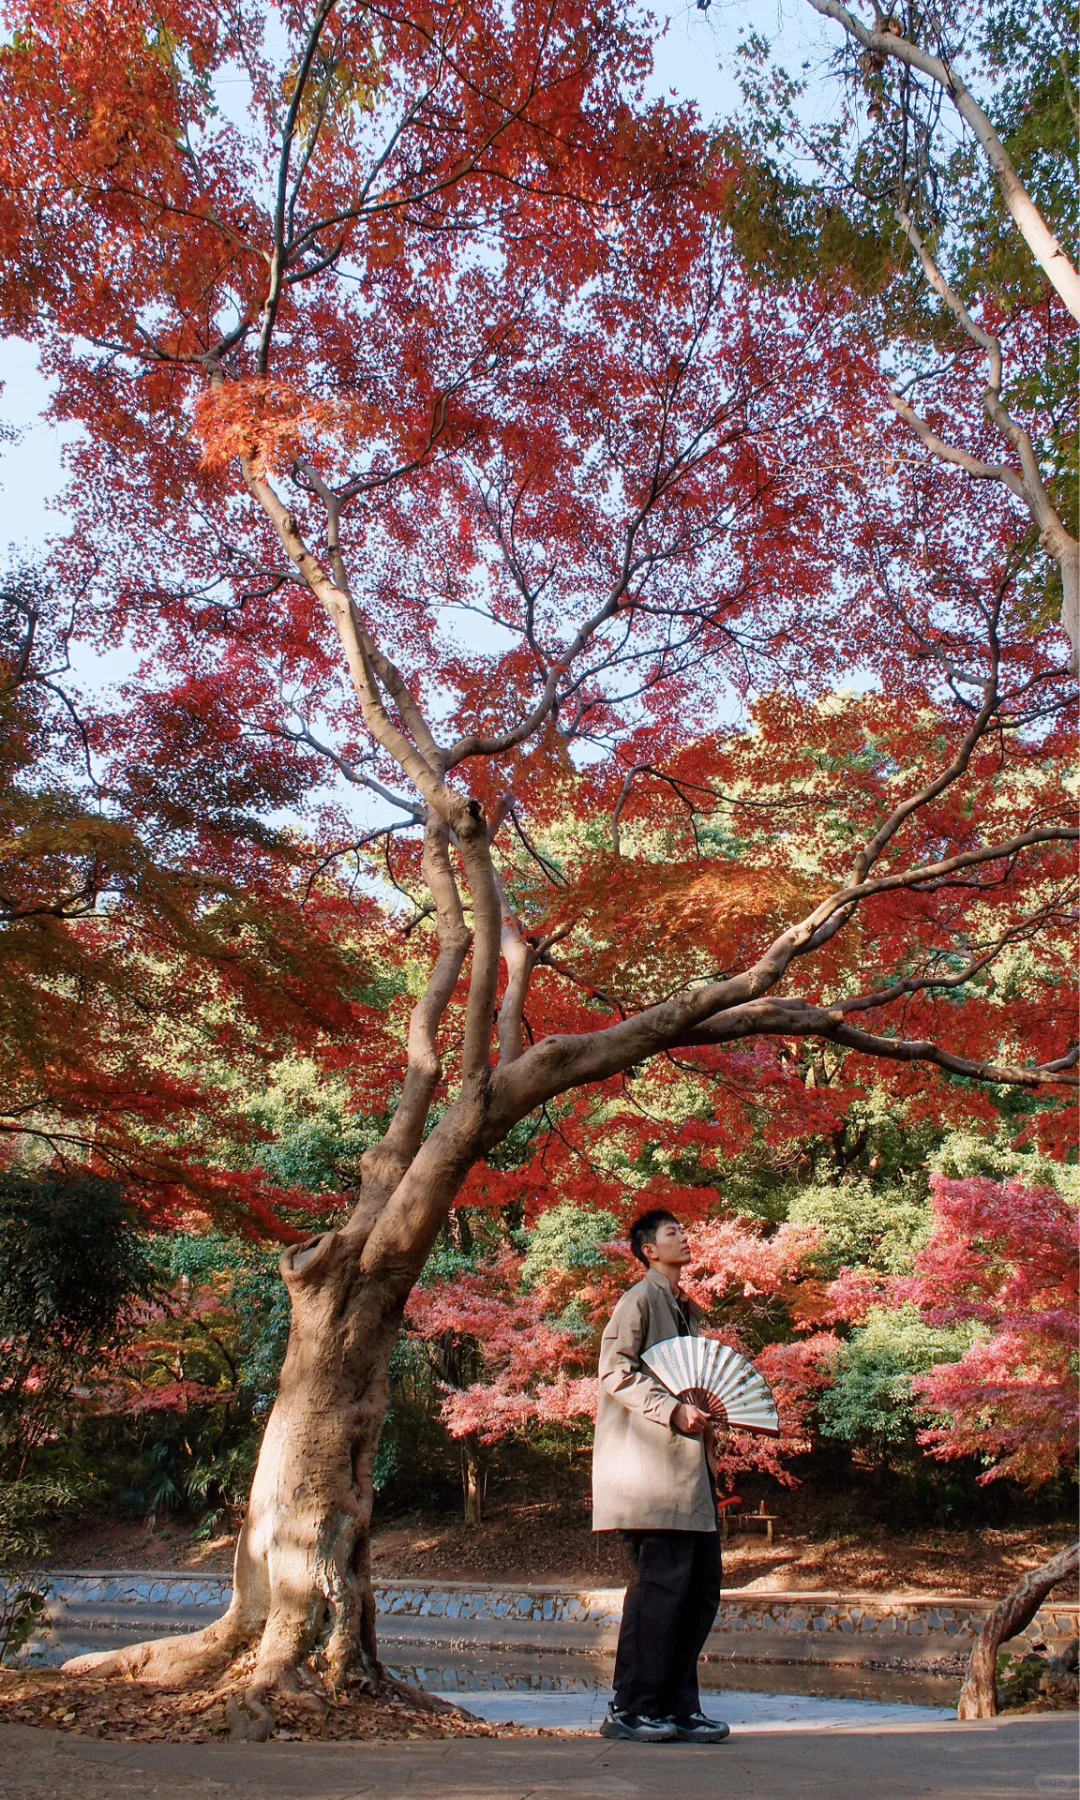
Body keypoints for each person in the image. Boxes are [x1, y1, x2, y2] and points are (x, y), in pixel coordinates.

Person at [592, 1207, 729, 1745]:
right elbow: (614, 1373)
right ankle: (632, 1707)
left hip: (692, 1476)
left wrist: (704, 1420)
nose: (685, 1237)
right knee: (659, 1592)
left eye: (684, 1229)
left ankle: (678, 1705)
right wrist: (672, 1411)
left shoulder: (686, 1309)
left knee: (700, 1591)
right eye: (674, 1232)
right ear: (649, 1249)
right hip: (651, 1475)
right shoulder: (639, 1300)